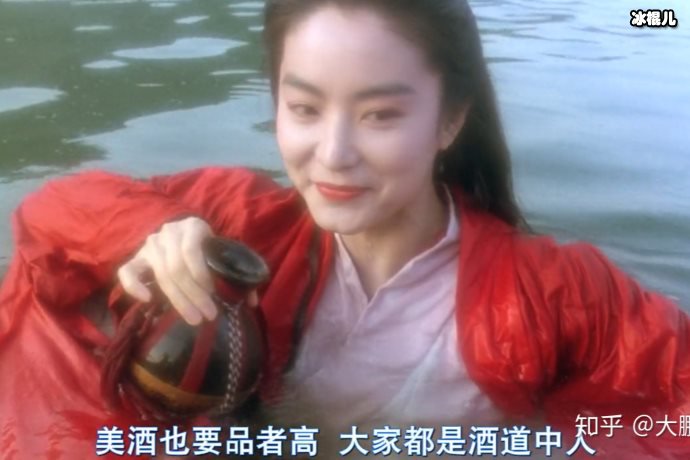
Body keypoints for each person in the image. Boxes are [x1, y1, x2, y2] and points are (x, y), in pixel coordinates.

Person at [0, 0, 688, 458]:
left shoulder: (552, 294)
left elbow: (673, 399)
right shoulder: (240, 221)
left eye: (380, 115)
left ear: (451, 119)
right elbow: (51, 213)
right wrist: (154, 230)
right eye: (304, 109)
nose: (332, 155)